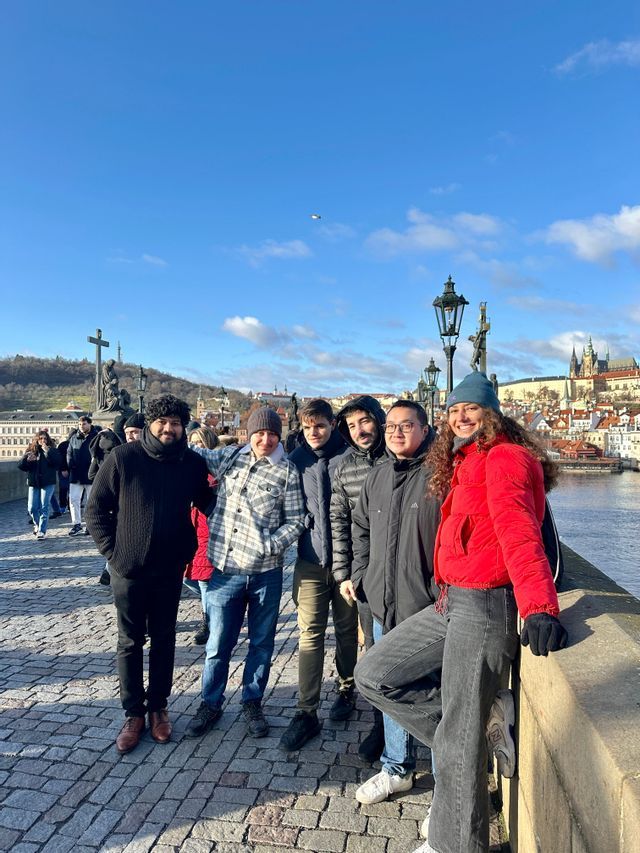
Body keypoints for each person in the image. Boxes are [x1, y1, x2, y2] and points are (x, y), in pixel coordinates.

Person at [355, 372, 568, 853]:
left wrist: (538, 606)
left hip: (487, 606)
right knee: (374, 674)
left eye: (470, 408)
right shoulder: (463, 462)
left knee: (456, 741)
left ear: (492, 413)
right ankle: (481, 730)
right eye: (452, 411)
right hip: (449, 600)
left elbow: (519, 534)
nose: (460, 416)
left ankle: (453, 844)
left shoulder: (505, 458)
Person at [85, 394, 212, 755]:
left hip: (170, 569)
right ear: (150, 425)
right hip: (129, 571)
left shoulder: (191, 463)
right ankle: (133, 714)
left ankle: (158, 708)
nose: (169, 429)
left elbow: (209, 502)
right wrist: (115, 555)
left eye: (175, 423)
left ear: (183, 426)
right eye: (162, 422)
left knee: (164, 639)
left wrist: (188, 548)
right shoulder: (123, 458)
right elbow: (96, 512)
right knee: (130, 642)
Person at [185, 407, 305, 740]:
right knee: (218, 643)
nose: (265, 440)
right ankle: (210, 702)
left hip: (265, 573)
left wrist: (270, 544)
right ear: (250, 434)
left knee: (261, 644)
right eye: (259, 434)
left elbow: (297, 520)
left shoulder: (287, 472)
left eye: (271, 434)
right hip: (226, 570)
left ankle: (252, 701)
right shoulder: (230, 457)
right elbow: (195, 453)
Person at [347, 400, 443, 805]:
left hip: (428, 606)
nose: (397, 433)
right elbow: (360, 529)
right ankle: (396, 767)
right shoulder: (378, 475)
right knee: (386, 687)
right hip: (383, 602)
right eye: (391, 427)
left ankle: (445, 780)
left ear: (424, 429)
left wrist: (443, 590)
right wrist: (360, 575)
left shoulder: (442, 475)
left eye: (406, 426)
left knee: (438, 690)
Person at [279, 398, 352, 751]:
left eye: (320, 426)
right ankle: (306, 710)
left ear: (332, 424)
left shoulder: (350, 457)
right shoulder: (295, 461)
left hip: (347, 564)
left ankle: (347, 687)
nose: (314, 433)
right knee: (309, 635)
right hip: (309, 562)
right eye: (307, 427)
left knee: (347, 631)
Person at [329, 395, 388, 763]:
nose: (360, 430)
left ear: (379, 420)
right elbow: (340, 522)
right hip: (367, 575)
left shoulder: (399, 456)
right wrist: (344, 574)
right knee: (376, 654)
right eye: (351, 426)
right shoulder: (344, 467)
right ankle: (381, 727)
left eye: (365, 421)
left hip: (408, 573)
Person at [184, 426, 219, 644]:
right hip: (189, 526)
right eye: (192, 442)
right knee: (190, 578)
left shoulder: (214, 466)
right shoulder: (185, 464)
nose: (196, 446)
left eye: (200, 442)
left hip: (208, 526)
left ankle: (208, 622)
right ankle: (217, 606)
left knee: (204, 579)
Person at [88, 425, 122, 586]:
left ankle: (108, 569)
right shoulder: (120, 454)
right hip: (119, 501)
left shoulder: (98, 455)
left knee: (114, 538)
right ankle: (109, 570)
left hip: (105, 499)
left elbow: (91, 475)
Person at [18, 431, 62, 540]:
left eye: (45, 439)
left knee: (44, 506)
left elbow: (57, 463)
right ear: (36, 440)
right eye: (40, 438)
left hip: (47, 482)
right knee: (32, 508)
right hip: (34, 482)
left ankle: (42, 531)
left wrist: (48, 452)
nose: (43, 441)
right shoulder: (31, 450)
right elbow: (21, 466)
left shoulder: (52, 450)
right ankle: (37, 525)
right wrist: (27, 461)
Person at [67, 415, 99, 535]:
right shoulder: (74, 437)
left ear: (90, 424)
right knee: (74, 500)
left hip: (91, 474)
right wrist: (70, 464)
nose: (81, 426)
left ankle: (89, 524)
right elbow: (69, 452)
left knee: (90, 500)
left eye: (84, 424)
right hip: (76, 473)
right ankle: (76, 524)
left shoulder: (96, 437)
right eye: (80, 424)